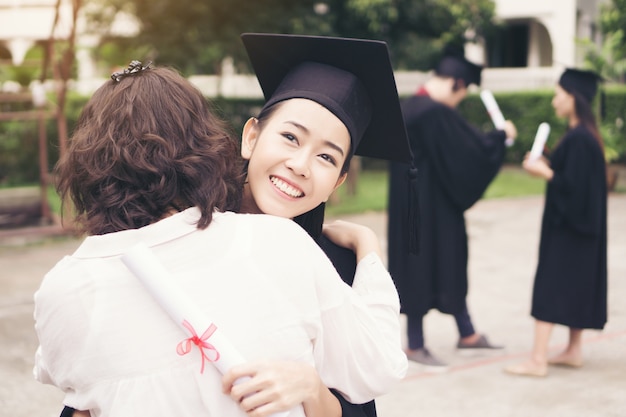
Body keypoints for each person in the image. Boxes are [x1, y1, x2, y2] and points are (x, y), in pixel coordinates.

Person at [34, 61, 407, 417]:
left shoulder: (327, 263)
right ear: (250, 137)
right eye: (290, 137)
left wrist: (311, 388)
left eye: (327, 157)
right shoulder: (167, 233)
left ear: (338, 182)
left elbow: (363, 397)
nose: (300, 165)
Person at [387, 51, 518, 369]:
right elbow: (470, 150)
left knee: (439, 265)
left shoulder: (407, 106)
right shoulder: (433, 113)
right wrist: (501, 137)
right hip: (432, 208)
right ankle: (415, 344)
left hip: (415, 206)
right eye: (463, 93)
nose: (459, 101)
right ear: (458, 83)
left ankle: (466, 333)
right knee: (436, 265)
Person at [504, 68, 607, 377]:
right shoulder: (586, 137)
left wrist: (545, 172)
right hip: (582, 229)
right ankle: (574, 349)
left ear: (574, 97)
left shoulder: (579, 139)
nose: (554, 100)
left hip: (568, 229)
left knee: (550, 285)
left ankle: (538, 359)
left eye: (559, 94)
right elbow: (577, 179)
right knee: (576, 285)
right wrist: (549, 165)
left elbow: (573, 188)